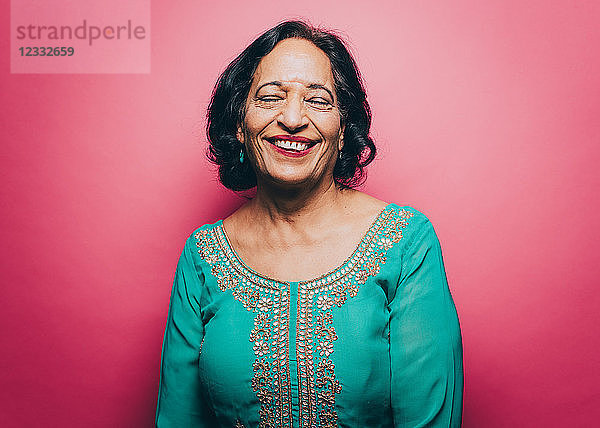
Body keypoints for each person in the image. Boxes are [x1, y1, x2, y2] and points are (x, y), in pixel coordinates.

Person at [155, 20, 463, 428]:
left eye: (318, 100)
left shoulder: (405, 242)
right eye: (270, 97)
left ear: (342, 131)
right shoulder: (202, 256)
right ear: (238, 125)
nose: (293, 119)